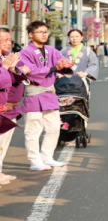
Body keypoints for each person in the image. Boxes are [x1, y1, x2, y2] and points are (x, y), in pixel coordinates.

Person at [19, 21, 74, 171]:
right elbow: (31, 71)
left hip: (49, 93)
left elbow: (60, 63)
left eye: (46, 32)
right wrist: (55, 67)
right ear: (31, 34)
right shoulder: (25, 52)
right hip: (34, 92)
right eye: (40, 32)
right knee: (33, 130)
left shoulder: (51, 50)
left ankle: (47, 157)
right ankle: (34, 161)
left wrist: (66, 64)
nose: (44, 34)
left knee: (54, 127)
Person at [0, 28, 25, 184]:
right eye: (5, 40)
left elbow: (20, 77)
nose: (8, 43)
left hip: (10, 108)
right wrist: (5, 68)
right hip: (3, 108)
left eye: (10, 40)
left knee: (3, 143)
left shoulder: (8, 57)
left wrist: (13, 68)